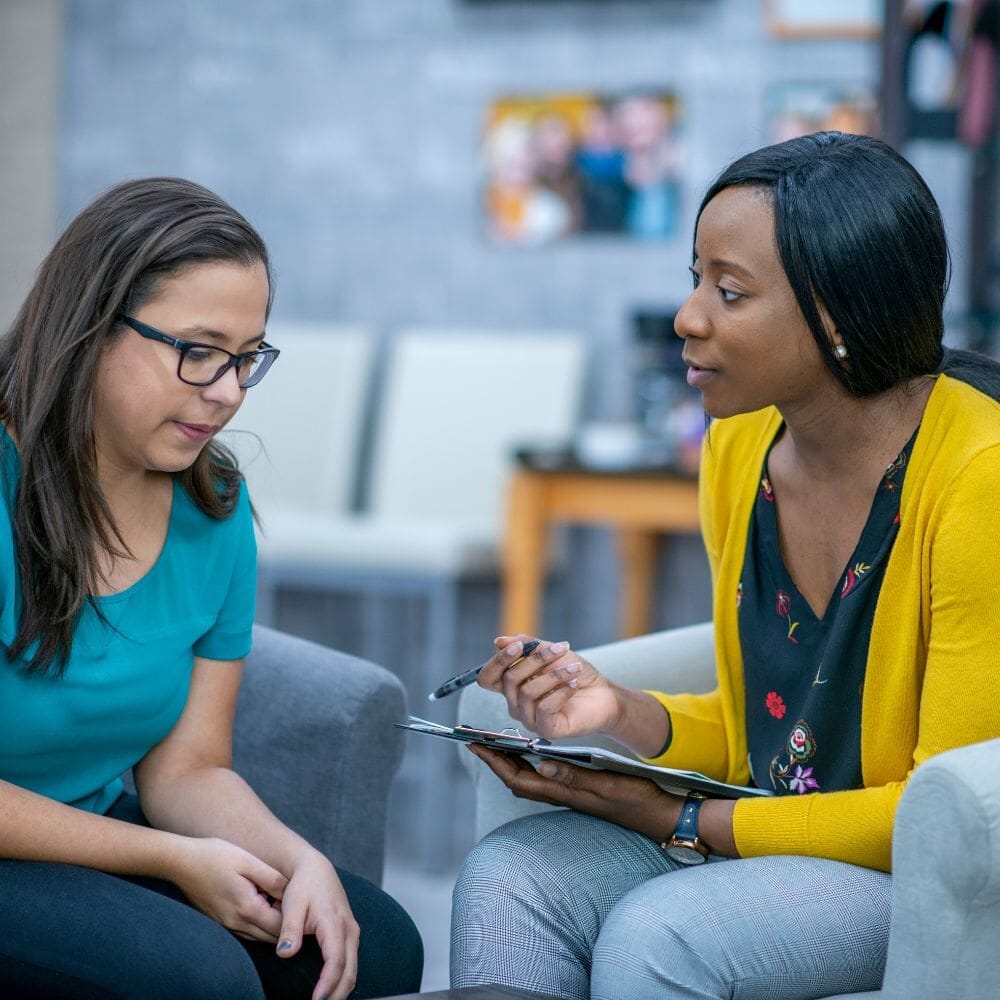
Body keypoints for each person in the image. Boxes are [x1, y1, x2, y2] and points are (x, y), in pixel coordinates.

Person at [451, 130, 1000, 998]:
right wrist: (618, 713)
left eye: (730, 291)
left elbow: (941, 817)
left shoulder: (981, 479)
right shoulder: (740, 443)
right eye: (695, 277)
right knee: (512, 879)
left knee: (662, 933)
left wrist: (679, 817)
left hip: (919, 875)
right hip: (773, 826)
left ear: (841, 317)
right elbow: (775, 732)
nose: (688, 316)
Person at [0, 177, 423, 1000]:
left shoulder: (214, 506)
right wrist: (170, 858)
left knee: (375, 945)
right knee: (201, 978)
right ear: (90, 327)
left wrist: (295, 858)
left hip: (77, 833)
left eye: (245, 358)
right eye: (198, 350)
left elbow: (187, 769)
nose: (227, 391)